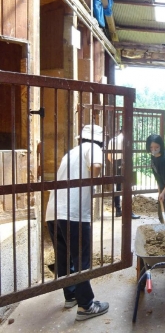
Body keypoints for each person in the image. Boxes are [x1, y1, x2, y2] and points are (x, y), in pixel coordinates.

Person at [45, 124, 109, 321]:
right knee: (81, 259)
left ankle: (70, 296)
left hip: (53, 212)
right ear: (99, 140)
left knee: (64, 257)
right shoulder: (94, 148)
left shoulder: (70, 153)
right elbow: (96, 166)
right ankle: (86, 306)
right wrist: (90, 185)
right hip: (74, 213)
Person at [107, 127, 140, 219]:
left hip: (116, 163)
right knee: (127, 187)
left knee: (117, 188)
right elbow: (130, 155)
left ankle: (118, 210)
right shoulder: (127, 140)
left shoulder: (112, 140)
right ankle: (129, 211)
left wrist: (116, 164)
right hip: (126, 163)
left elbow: (109, 157)